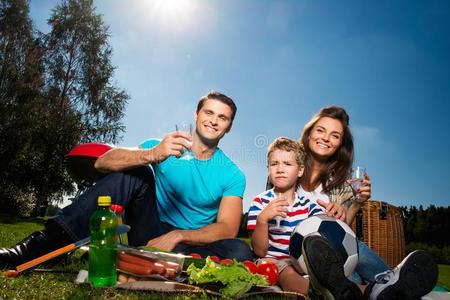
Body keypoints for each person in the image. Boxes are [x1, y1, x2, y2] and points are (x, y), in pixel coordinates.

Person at [0, 91, 253, 269]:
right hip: (148, 230)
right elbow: (102, 163)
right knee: (138, 171)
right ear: (197, 115)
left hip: (186, 244)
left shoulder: (232, 173)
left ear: (228, 126)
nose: (213, 120)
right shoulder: (162, 146)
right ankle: (41, 247)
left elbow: (228, 228)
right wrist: (151, 155)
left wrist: (178, 235)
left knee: (240, 250)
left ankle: (155, 264)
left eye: (223, 117)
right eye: (209, 112)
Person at [294, 106, 437, 298]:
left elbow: (342, 232)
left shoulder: (342, 184)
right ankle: (380, 286)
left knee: (354, 250)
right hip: (305, 253)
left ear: (340, 144)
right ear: (309, 133)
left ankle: (392, 282)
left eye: (335, 135)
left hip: (337, 252)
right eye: (320, 130)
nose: (326, 138)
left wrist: (356, 203)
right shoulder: (287, 165)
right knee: (346, 271)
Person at [247, 137, 342, 295]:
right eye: (274, 163)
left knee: (330, 274)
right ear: (268, 169)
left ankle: (371, 290)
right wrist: (262, 220)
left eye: (287, 164)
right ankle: (319, 294)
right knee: (285, 271)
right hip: (272, 261)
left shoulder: (308, 205)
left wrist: (334, 213)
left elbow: (324, 234)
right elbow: (259, 251)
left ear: (300, 170)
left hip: (302, 262)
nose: (280, 169)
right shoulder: (260, 202)